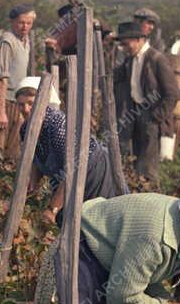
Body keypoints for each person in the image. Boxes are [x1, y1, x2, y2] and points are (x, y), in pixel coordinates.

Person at [14, 78, 114, 222]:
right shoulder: (25, 129)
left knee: (95, 219)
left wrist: (52, 209)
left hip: (93, 170)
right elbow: (36, 158)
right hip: (65, 176)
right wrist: (32, 187)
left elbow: (72, 172)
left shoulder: (58, 125)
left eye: (31, 103)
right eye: (21, 104)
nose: (26, 109)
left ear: (43, 103)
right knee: (67, 219)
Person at [112, 21, 180, 182]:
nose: (125, 48)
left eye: (126, 44)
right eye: (122, 45)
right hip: (136, 113)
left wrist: (157, 117)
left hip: (151, 115)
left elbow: (172, 93)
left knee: (148, 164)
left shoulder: (157, 59)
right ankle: (138, 192)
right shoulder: (130, 60)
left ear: (139, 40)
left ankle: (151, 195)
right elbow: (112, 77)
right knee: (137, 158)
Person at [0, 4, 36, 159]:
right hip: (0, 102)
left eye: (29, 23)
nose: (25, 26)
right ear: (12, 22)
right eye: (21, 22)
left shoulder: (25, 42)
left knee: (12, 151)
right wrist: (0, 112)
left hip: (15, 103)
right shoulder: (7, 42)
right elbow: (0, 79)